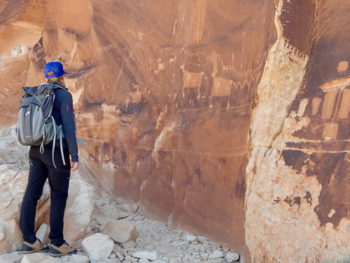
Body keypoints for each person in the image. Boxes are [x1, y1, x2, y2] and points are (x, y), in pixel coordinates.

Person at [19, 61, 79, 257]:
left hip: (35, 150)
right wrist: (74, 155)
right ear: (62, 75)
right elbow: (69, 127)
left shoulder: (37, 94)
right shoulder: (63, 95)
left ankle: (28, 239)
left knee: (32, 193)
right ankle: (57, 243)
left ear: (46, 76)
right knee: (59, 195)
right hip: (56, 152)